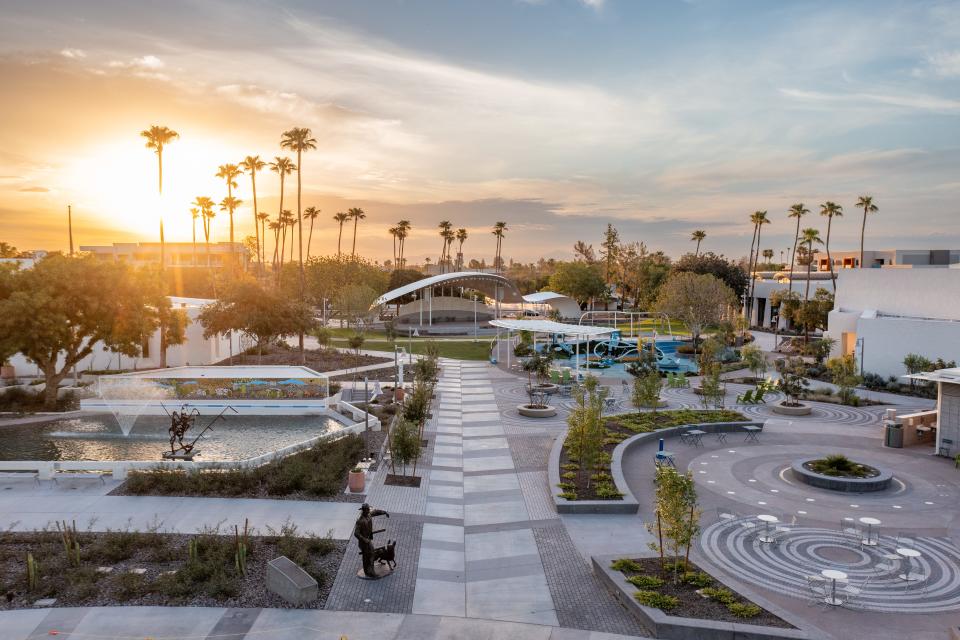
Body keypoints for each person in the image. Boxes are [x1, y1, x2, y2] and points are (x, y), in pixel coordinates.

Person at [354, 503, 389, 577]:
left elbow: (375, 512)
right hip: (364, 542)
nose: (369, 510)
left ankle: (369, 570)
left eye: (369, 509)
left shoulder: (369, 515)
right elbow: (356, 533)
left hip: (368, 539)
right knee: (369, 555)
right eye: (368, 509)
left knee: (369, 555)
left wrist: (384, 512)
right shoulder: (360, 521)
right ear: (364, 510)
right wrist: (364, 539)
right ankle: (370, 571)